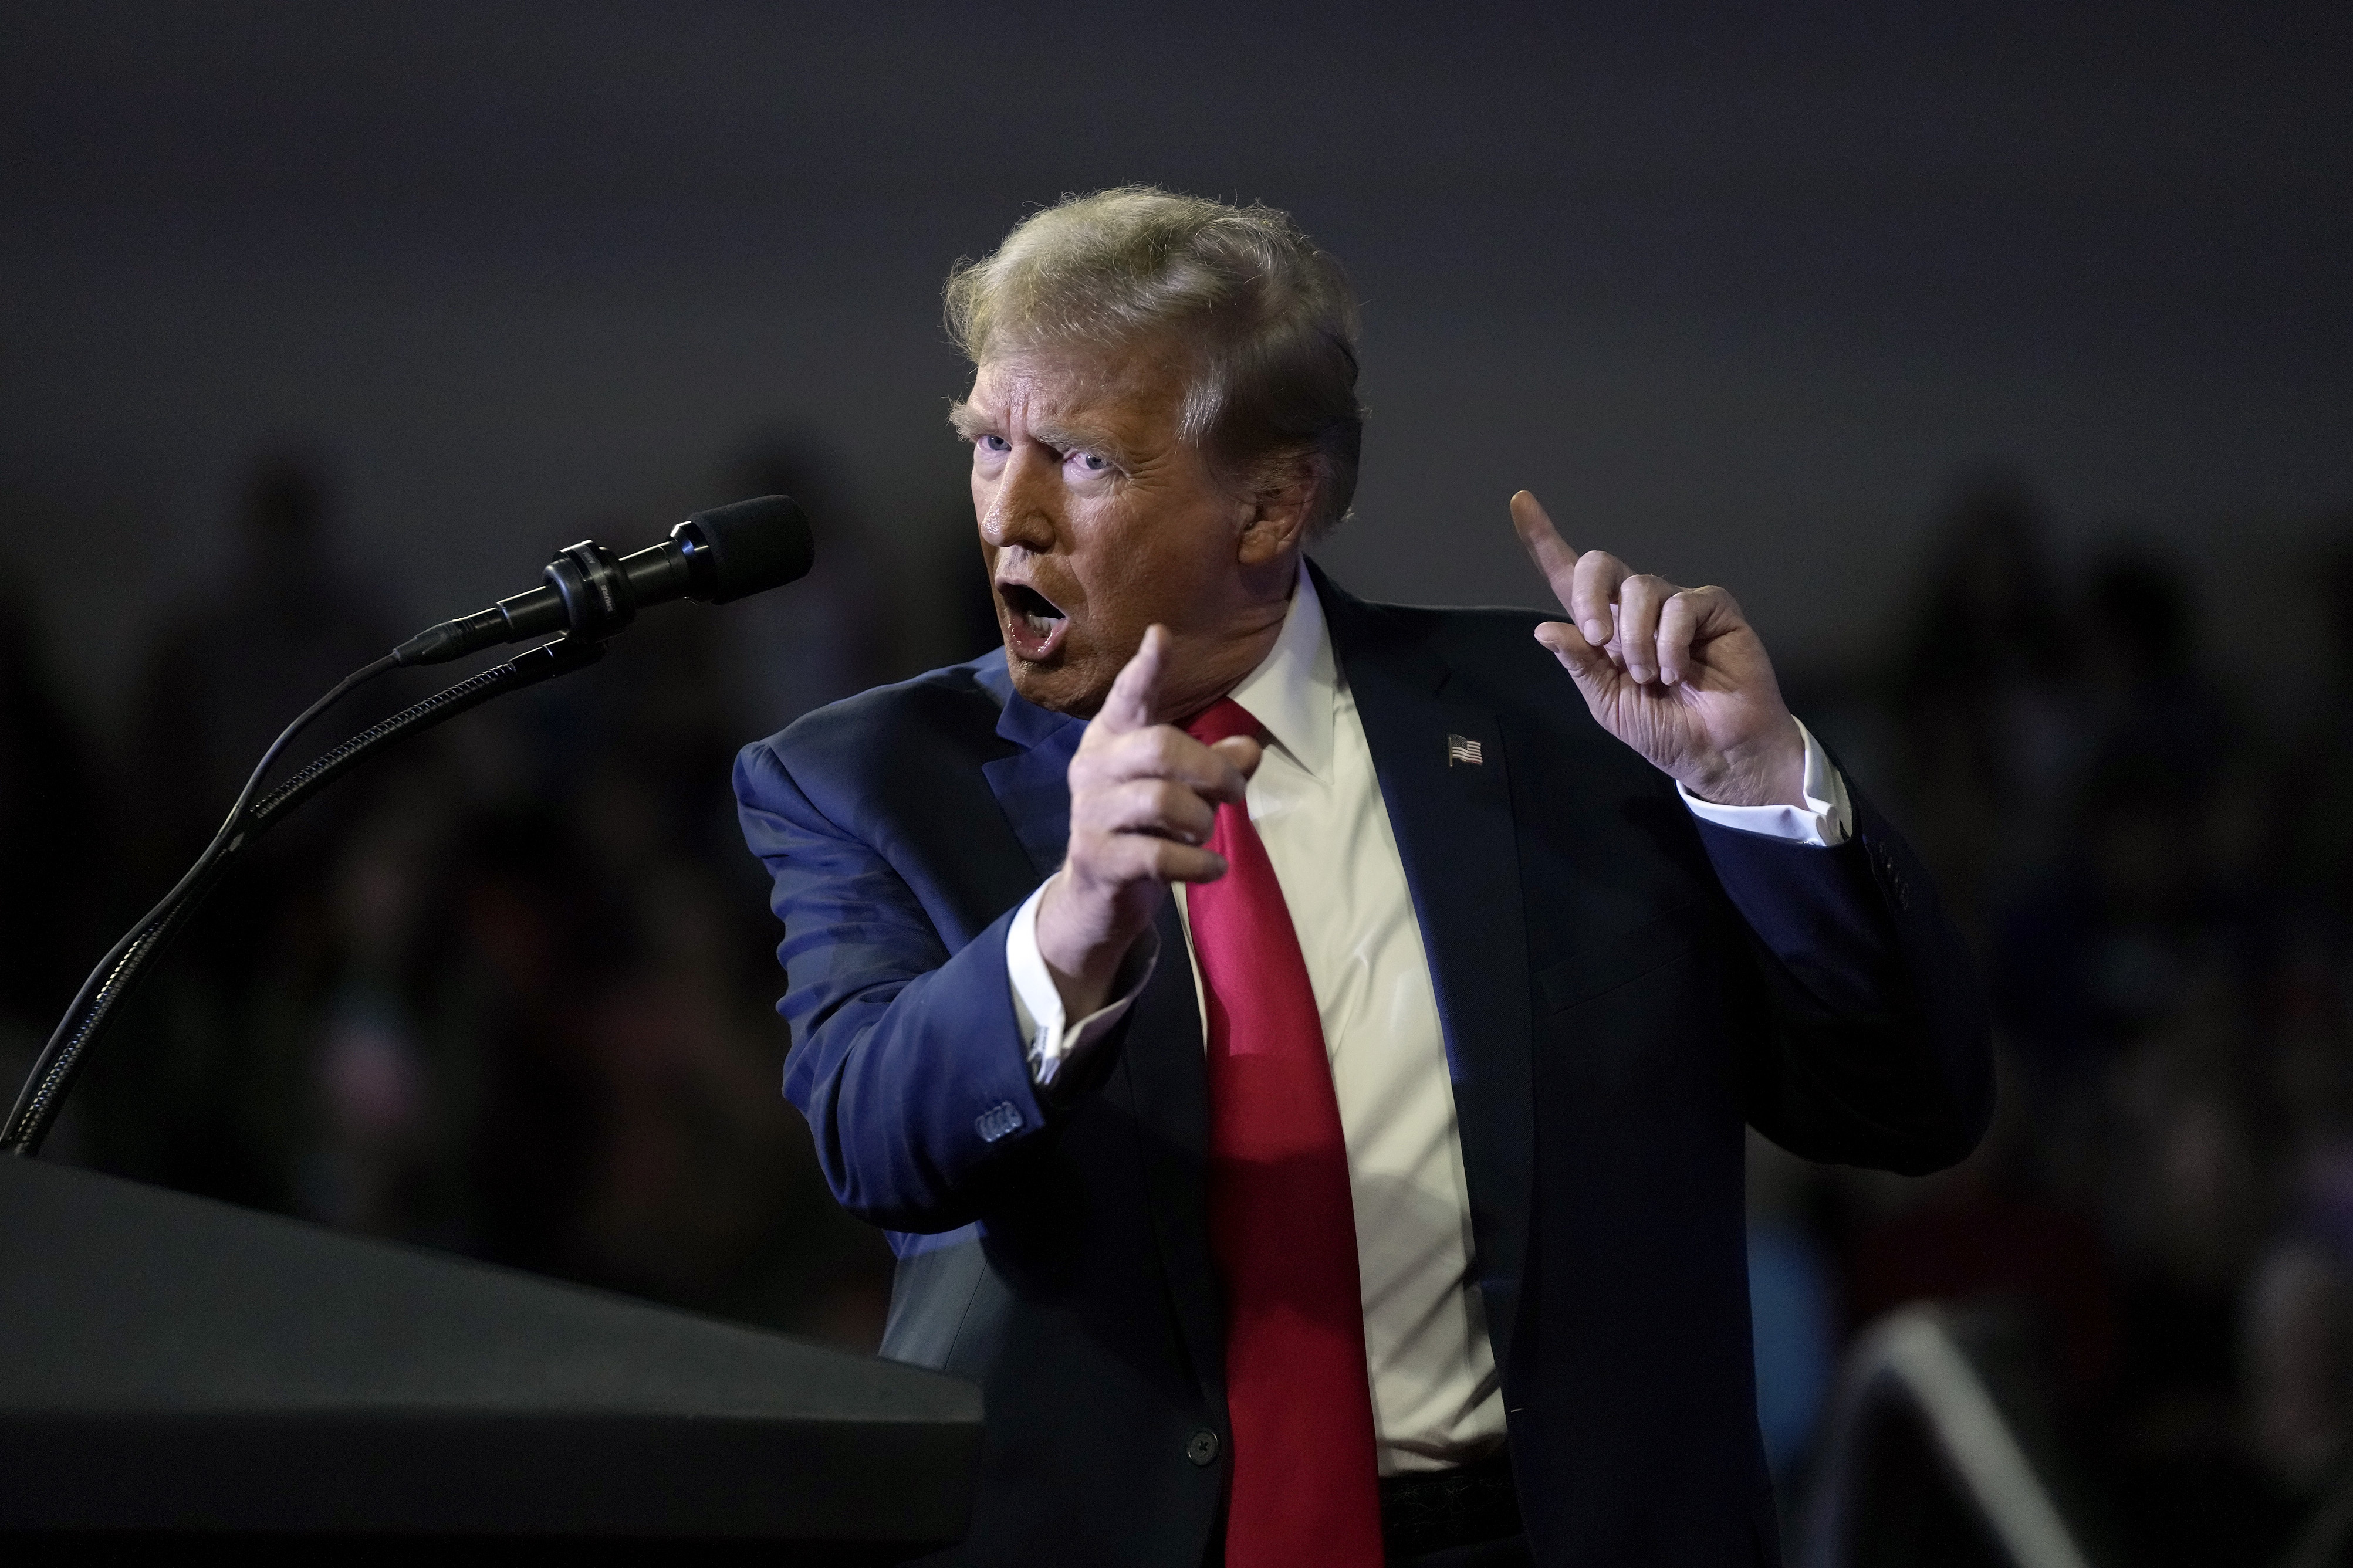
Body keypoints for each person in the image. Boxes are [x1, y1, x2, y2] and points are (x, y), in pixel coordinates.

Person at [735, 188, 1991, 1567]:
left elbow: (1909, 1105)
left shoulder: (1578, 727)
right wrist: (1070, 924)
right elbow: (875, 1141)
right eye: (989, 444)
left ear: (1270, 506)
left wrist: (1757, 795)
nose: (1009, 514)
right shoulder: (862, 777)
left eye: (1083, 460)